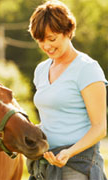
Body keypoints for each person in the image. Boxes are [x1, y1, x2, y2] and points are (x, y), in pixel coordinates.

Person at [27, 0, 108, 180]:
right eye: (40, 40)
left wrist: (68, 153)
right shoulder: (41, 70)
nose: (46, 46)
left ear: (68, 32)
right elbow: (52, 120)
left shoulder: (87, 69)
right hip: (45, 163)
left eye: (52, 38)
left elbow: (100, 128)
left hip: (77, 164)